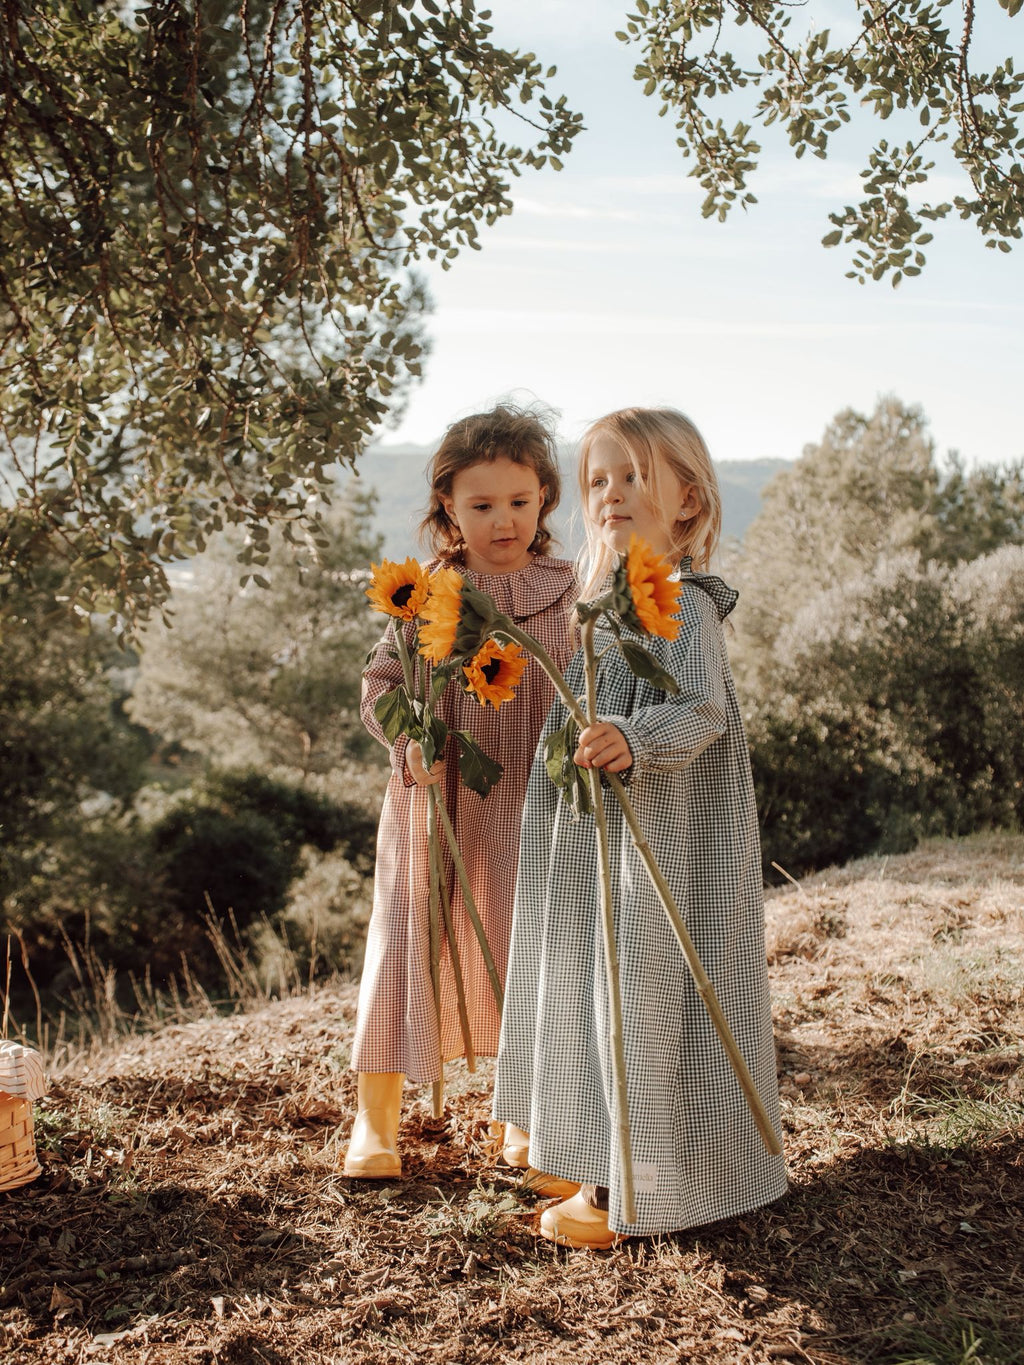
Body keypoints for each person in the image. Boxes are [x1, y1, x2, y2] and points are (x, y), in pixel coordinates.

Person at [493, 406, 787, 1248]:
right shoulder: (608, 600)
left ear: (688, 502)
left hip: (658, 830)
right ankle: (592, 1143)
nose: (610, 493)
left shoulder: (681, 606)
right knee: (593, 985)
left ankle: (637, 1181)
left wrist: (634, 739)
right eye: (597, 480)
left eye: (633, 476)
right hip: (603, 837)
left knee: (640, 995)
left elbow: (700, 708)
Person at [344, 405, 578, 1182]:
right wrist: (405, 734)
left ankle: (524, 1114)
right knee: (407, 948)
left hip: (534, 804)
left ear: (545, 497)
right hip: (434, 800)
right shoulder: (429, 594)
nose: (503, 519)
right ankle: (375, 1123)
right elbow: (380, 685)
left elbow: (586, 687)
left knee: (528, 957)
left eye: (519, 500)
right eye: (481, 505)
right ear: (448, 505)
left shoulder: (570, 591)